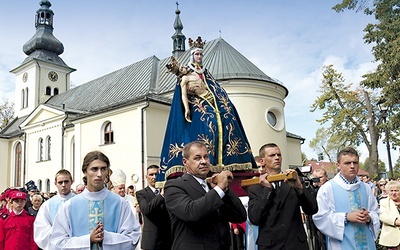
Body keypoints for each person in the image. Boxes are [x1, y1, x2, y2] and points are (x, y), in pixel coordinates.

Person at [159, 36, 256, 184]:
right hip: (197, 103)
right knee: (209, 120)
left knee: (227, 115)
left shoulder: (206, 73)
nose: (199, 57)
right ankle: (209, 162)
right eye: (196, 54)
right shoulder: (185, 75)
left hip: (212, 100)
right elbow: (183, 94)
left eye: (200, 54)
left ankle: (231, 158)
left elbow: (216, 89)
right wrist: (186, 109)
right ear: (192, 56)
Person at [164, 141, 247, 250]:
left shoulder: (213, 187)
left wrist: (225, 191)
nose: (203, 161)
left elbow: (240, 216)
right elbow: (191, 212)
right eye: (197, 158)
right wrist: (219, 189)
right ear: (185, 162)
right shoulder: (174, 185)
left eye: (206, 157)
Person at [50, 151, 141, 249]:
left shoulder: (120, 203)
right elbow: (57, 242)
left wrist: (107, 238)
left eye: (103, 169)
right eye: (94, 169)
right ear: (85, 172)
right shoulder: (69, 206)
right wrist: (88, 240)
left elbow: (133, 238)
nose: (99, 174)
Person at [247, 143, 318, 250]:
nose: (277, 158)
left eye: (279, 155)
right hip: (270, 246)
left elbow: (312, 209)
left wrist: (299, 188)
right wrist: (267, 189)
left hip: (296, 244)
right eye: (272, 155)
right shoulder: (255, 187)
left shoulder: (294, 180)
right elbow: (255, 218)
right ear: (262, 161)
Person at [312, 147, 380, 249]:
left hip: (367, 244)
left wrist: (369, 217)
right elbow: (321, 217)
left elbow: (376, 212)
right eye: (347, 163)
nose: (352, 166)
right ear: (338, 165)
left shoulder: (365, 188)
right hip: (341, 244)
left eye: (355, 162)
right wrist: (346, 217)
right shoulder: (328, 188)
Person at [34, 169, 76, 249]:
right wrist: (59, 234)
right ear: (55, 184)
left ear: (72, 181)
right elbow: (41, 228)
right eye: (60, 182)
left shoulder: (79, 201)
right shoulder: (48, 205)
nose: (63, 185)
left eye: (66, 181)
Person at [136, 165, 172, 250]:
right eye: (151, 174)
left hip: (167, 239)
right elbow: (146, 210)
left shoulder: (168, 192)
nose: (154, 177)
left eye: (156, 174)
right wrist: (161, 195)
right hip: (151, 241)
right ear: (146, 177)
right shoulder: (141, 193)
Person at [378, 181, 400, 249]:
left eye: (396, 190)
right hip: (392, 239)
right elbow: (383, 216)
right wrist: (396, 222)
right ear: (388, 192)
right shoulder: (383, 202)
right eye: (391, 191)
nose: (393, 193)